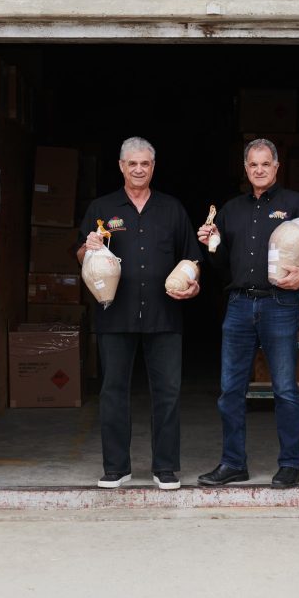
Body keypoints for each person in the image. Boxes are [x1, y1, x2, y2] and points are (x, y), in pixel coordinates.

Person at [197, 138, 299, 489]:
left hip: (280, 305)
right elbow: (222, 267)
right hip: (239, 305)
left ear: (276, 167)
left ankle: (289, 464)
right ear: (245, 169)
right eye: (252, 165)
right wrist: (211, 244)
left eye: (265, 164)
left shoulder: (298, 204)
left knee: (285, 390)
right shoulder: (230, 210)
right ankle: (233, 464)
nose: (259, 170)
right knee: (230, 390)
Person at [77, 136, 201, 491]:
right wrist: (89, 248)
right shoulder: (102, 208)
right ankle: (116, 468)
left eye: (144, 163)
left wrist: (193, 283)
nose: (138, 169)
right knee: (114, 391)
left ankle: (165, 467)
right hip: (115, 314)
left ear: (153, 167)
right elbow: (80, 258)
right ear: (121, 166)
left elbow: (192, 257)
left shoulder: (172, 209)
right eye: (131, 163)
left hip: (164, 315)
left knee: (168, 392)